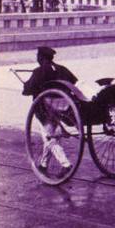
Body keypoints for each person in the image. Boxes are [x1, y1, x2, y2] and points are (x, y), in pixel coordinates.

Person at [21, 46, 78, 176]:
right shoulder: (63, 69)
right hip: (63, 109)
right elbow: (74, 84)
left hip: (44, 110)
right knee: (52, 135)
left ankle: (66, 164)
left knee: (49, 137)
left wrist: (26, 84)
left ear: (41, 58)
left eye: (37, 56)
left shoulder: (39, 71)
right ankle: (43, 164)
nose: (36, 58)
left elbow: (26, 91)